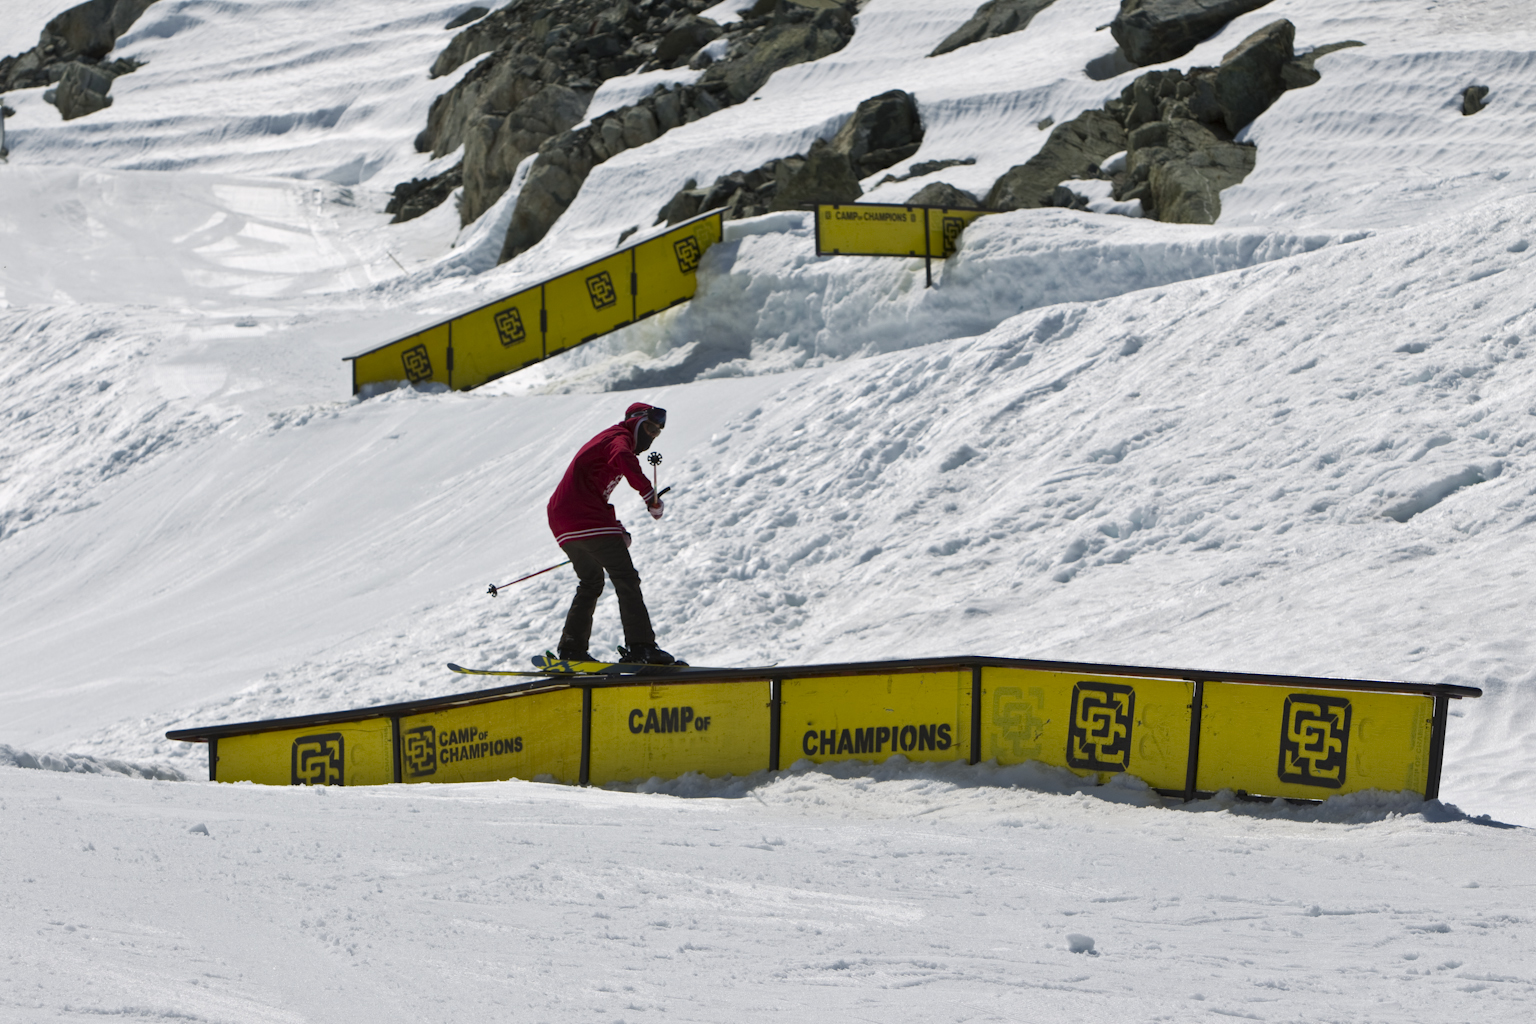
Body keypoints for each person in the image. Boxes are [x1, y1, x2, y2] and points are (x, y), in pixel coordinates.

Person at [546, 402, 678, 665]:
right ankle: (642, 647)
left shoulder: (607, 440)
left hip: (562, 520)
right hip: (585, 516)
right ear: (636, 421)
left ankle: (572, 649)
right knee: (626, 578)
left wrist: (616, 530)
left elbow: (593, 492)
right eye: (650, 427)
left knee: (591, 582)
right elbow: (623, 458)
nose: (652, 435)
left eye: (657, 432)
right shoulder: (619, 439)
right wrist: (648, 493)